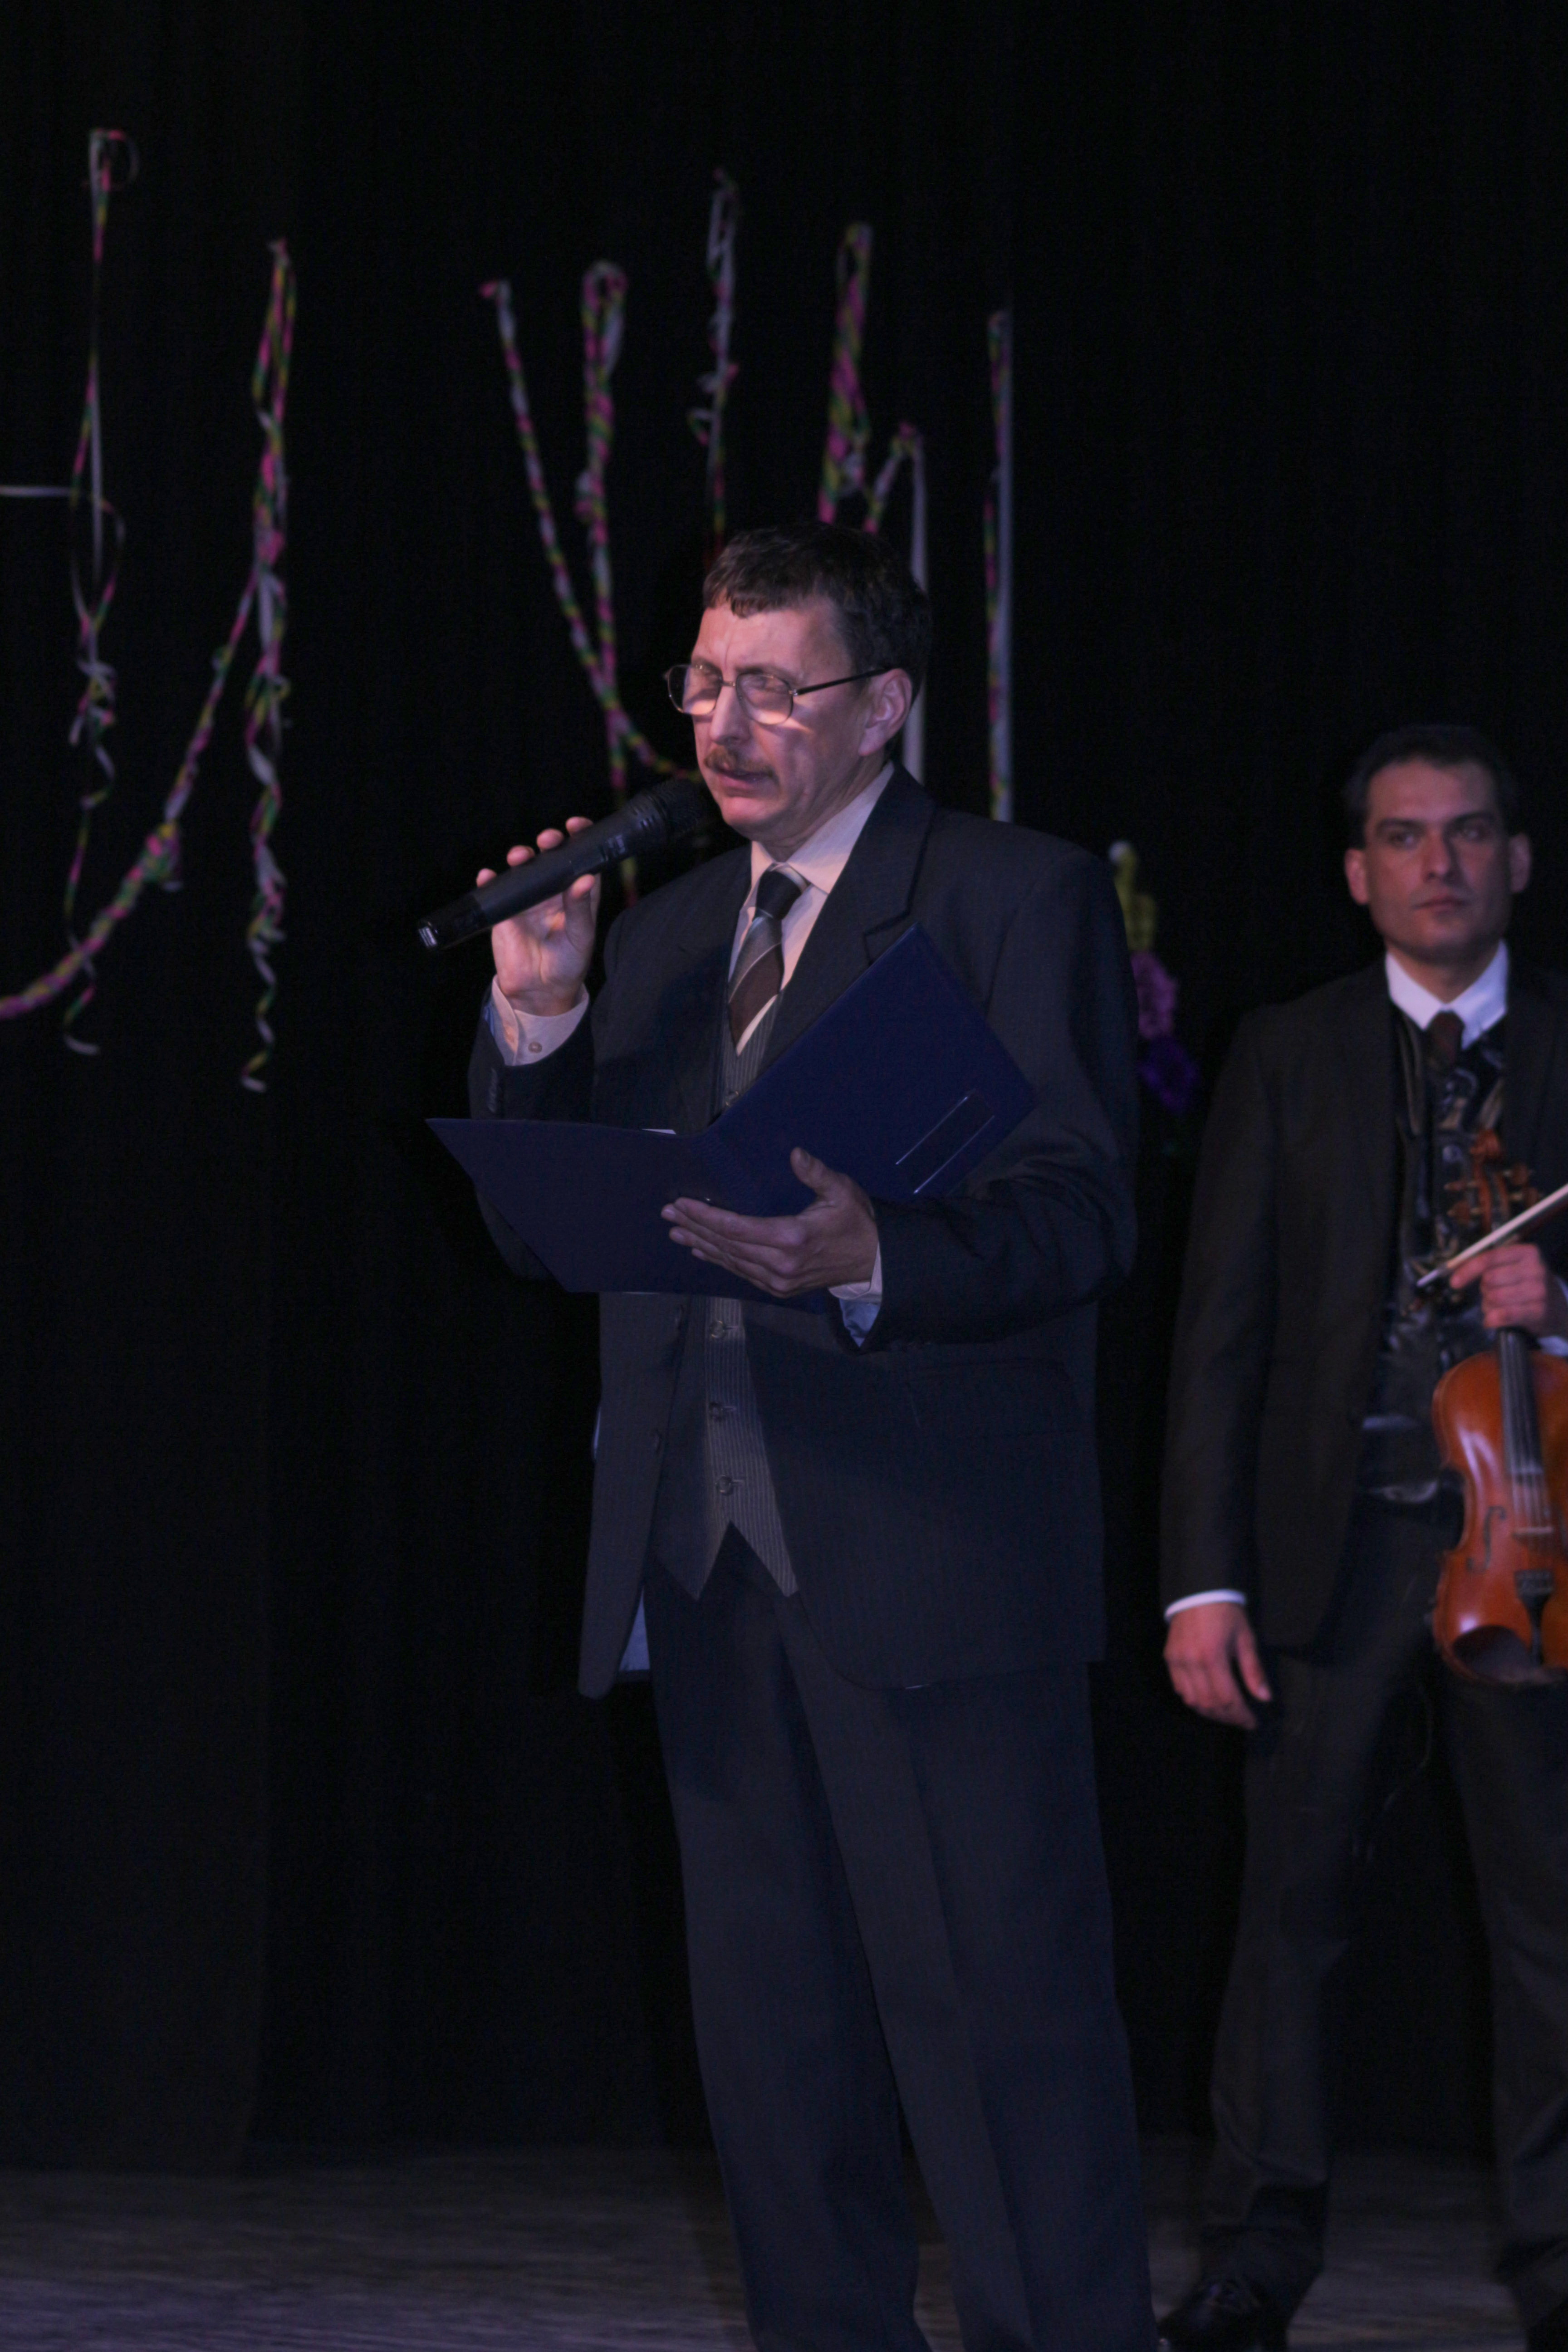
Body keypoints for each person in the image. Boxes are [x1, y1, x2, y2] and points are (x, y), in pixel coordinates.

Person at [466, 521, 1155, 2352]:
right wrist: (538, 1014)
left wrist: (878, 1260)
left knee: (1001, 2037)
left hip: (932, 1566)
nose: (725, 723)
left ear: (885, 706)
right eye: (706, 682)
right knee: (778, 2060)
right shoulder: (664, 930)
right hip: (707, 1565)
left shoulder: (1009, 898)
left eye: (775, 687)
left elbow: (1083, 1211)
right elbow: (558, 1228)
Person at [1157, 725, 1568, 2352]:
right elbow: (1220, 1333)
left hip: (1534, 1548)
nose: (1439, 863)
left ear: (1515, 858)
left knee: (1553, 1922)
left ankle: (1562, 2256)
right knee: (1290, 1915)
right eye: (1405, 837)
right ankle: (1261, 2249)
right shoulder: (1288, 1051)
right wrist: (1204, 1579)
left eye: (1467, 833)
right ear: (1358, 872)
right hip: (1330, 1551)